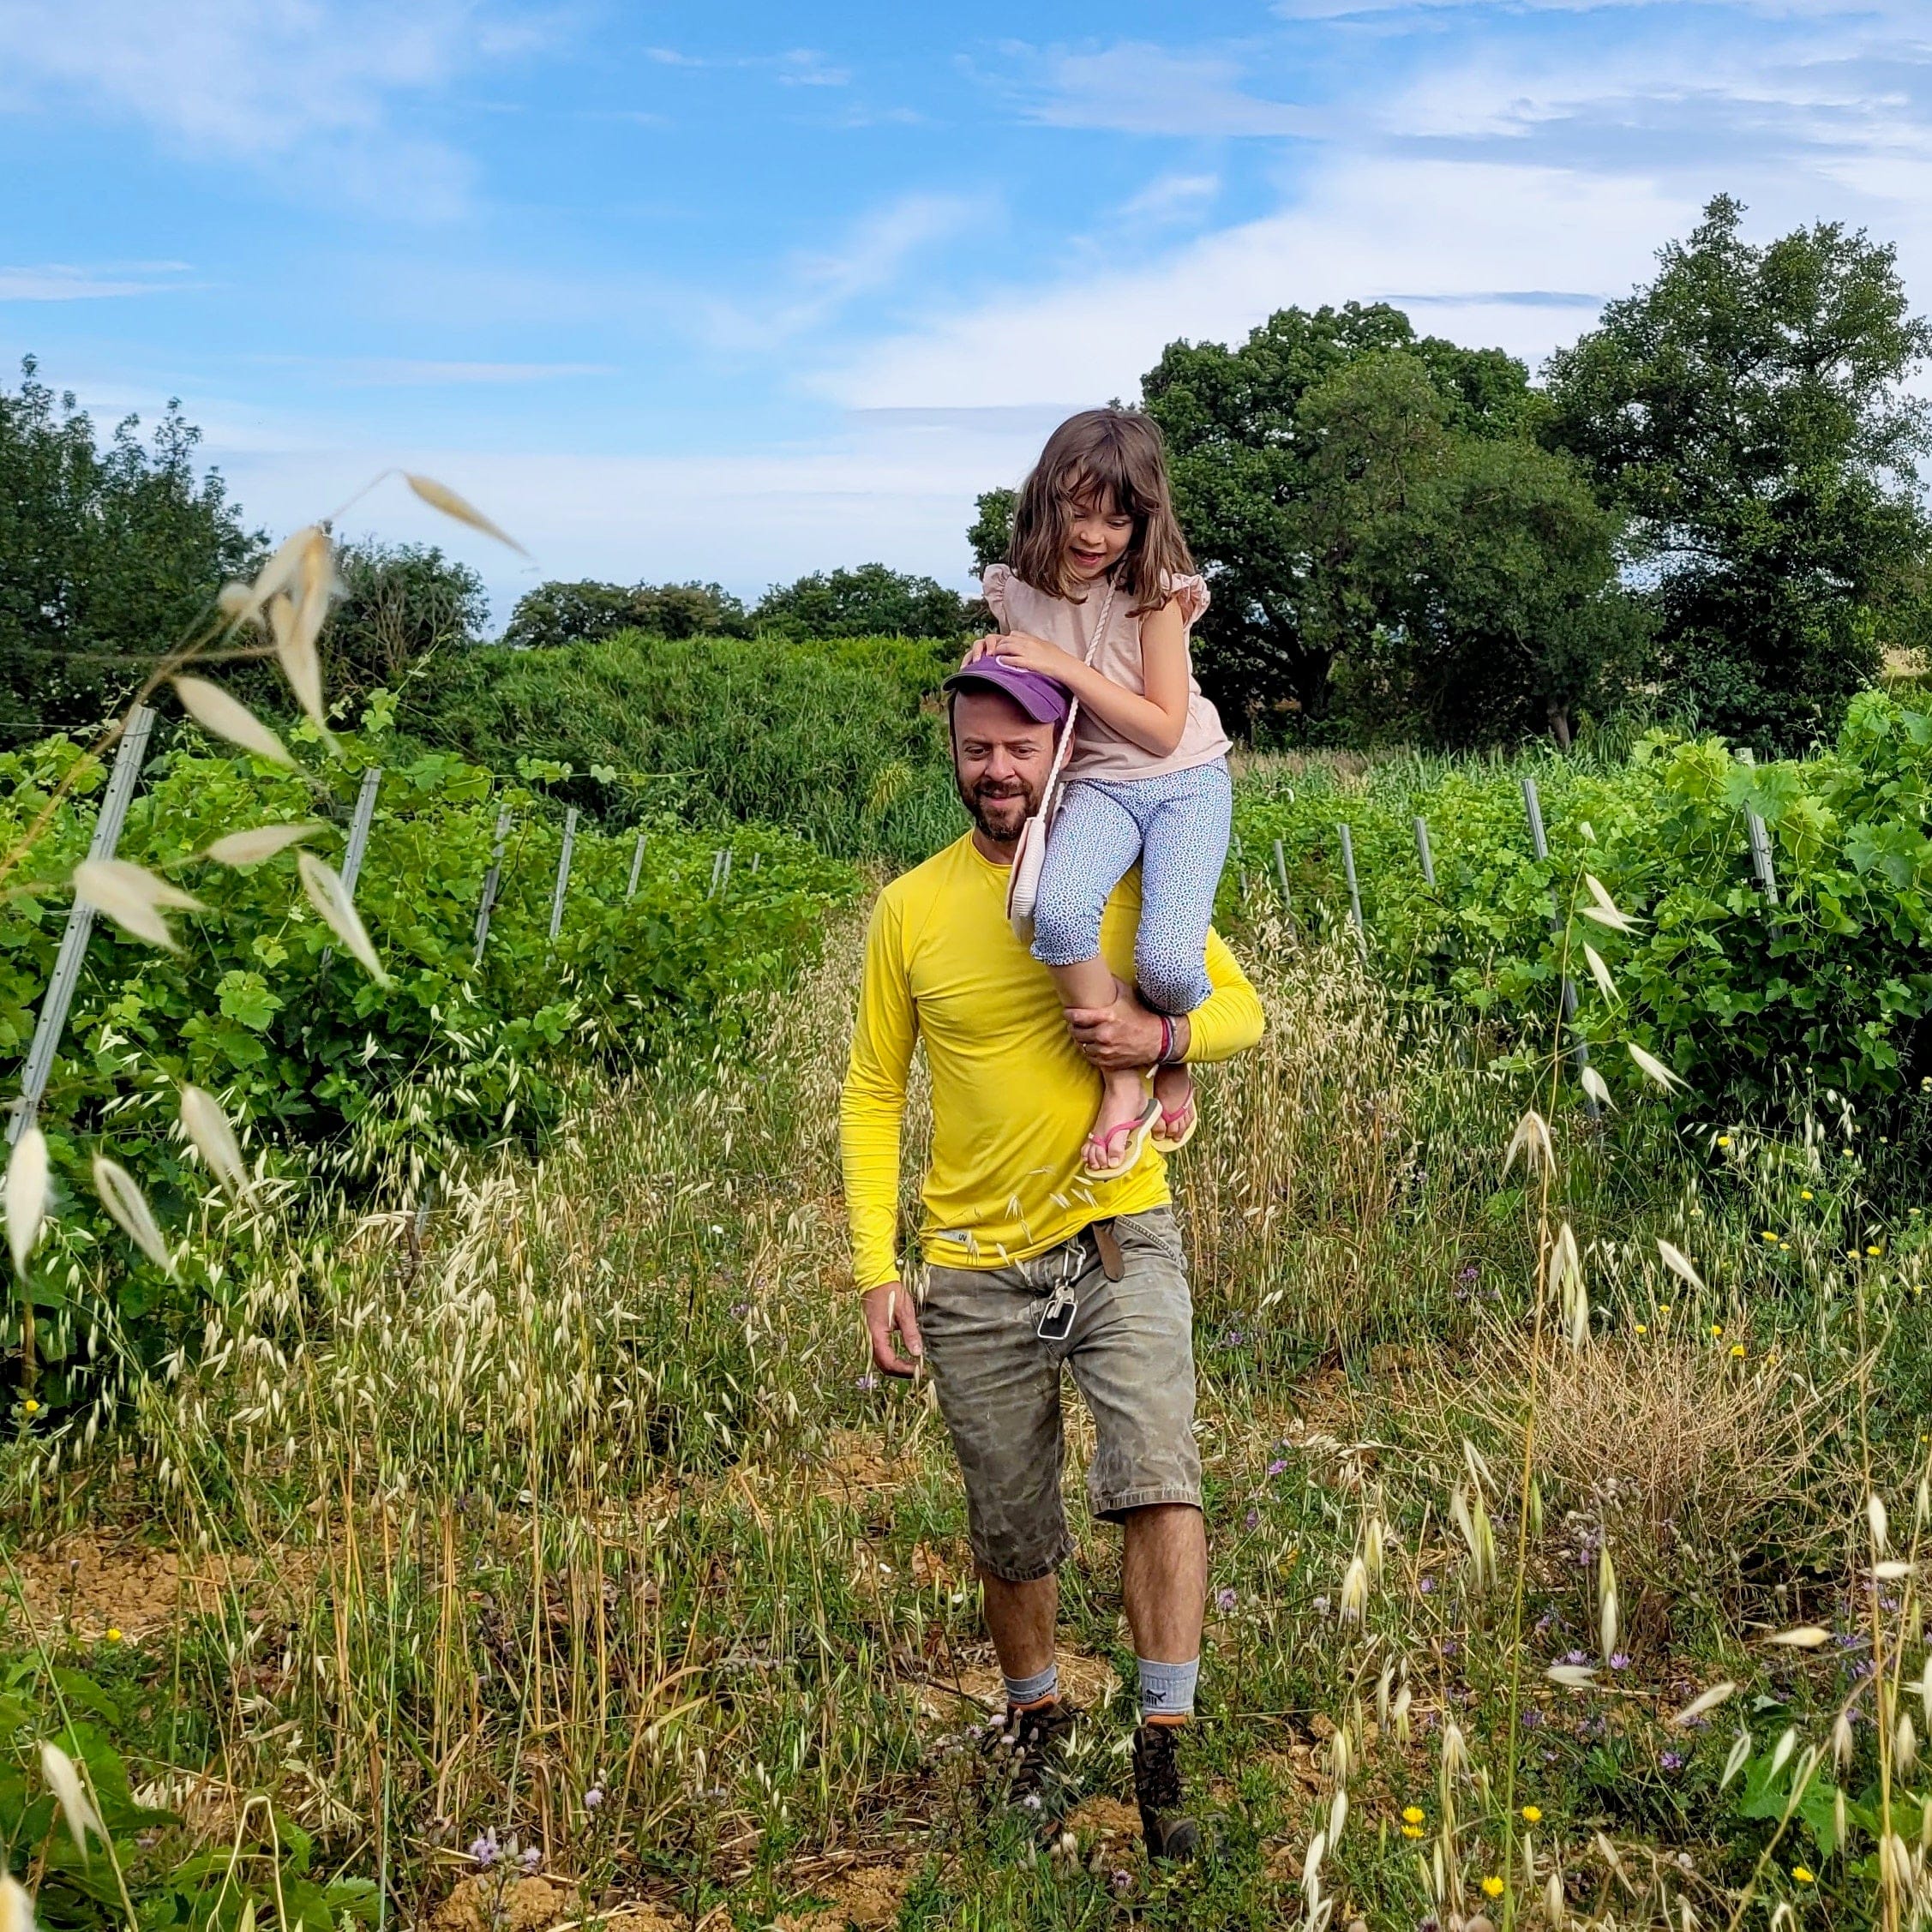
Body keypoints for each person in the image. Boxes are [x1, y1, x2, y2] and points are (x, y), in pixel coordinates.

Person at [839, 658, 1263, 1858]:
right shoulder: (909, 909)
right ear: (955, 753)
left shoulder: (1114, 873)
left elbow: (1244, 1009)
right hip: (971, 1262)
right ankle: (1033, 1724)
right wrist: (880, 1265)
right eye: (978, 747)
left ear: (1061, 745)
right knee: (1009, 1526)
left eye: (1020, 748)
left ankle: (1162, 1743)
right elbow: (874, 1091)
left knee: (1158, 1476)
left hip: (1119, 1231)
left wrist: (1160, 1033)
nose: (998, 769)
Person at [967, 406, 1233, 1180]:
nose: (1095, 536)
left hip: (1183, 781)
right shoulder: (1018, 590)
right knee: (1055, 914)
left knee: (1170, 961)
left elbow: (1160, 727)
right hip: (1096, 787)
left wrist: (1056, 661)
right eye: (1079, 513)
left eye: (1117, 521)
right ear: (1046, 500)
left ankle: (1168, 1048)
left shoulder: (1155, 594)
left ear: (1143, 525)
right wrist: (998, 654)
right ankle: (1123, 1081)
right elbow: (1024, 680)